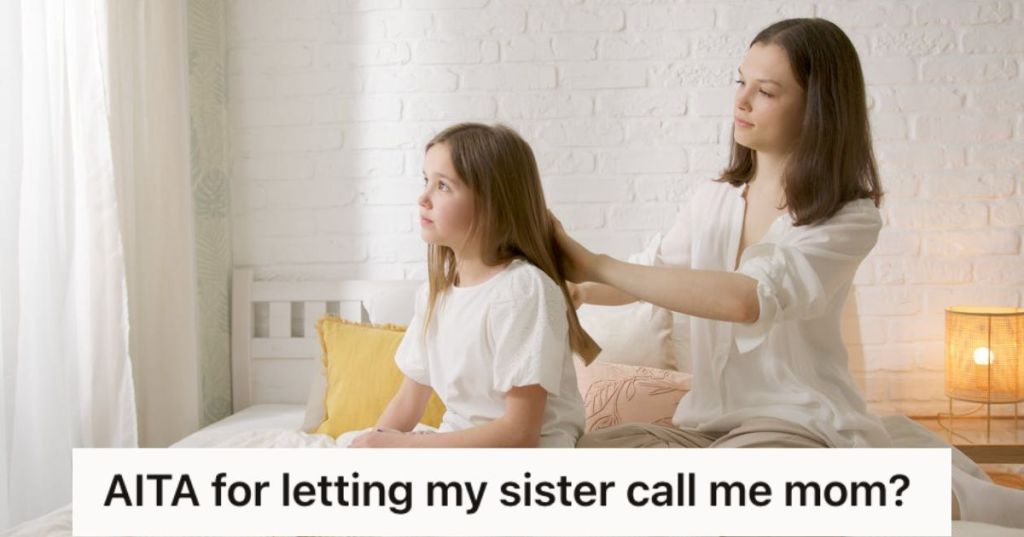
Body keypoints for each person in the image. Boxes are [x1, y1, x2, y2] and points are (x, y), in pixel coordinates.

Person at [553, 18, 1024, 528]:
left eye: (767, 91)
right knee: (578, 474)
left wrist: (595, 263)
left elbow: (747, 299)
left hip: (798, 427)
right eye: (740, 82)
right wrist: (577, 288)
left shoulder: (847, 217)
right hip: (708, 427)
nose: (742, 102)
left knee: (724, 496)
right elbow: (654, 272)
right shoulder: (713, 199)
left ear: (817, 108)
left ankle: (958, 500)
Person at [351, 123, 599, 448]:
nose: (423, 198)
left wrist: (402, 447)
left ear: (491, 204)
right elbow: (408, 403)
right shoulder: (432, 296)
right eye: (426, 181)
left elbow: (520, 434)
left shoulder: (522, 290)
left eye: (443, 186)